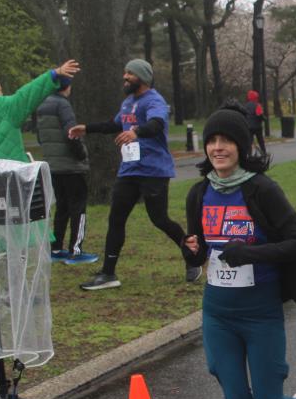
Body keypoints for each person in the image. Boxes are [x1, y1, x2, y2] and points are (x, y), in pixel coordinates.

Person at [182, 105, 296, 399]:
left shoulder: (262, 190)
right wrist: (193, 251)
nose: (218, 148)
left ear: (242, 146)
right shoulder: (198, 194)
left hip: (260, 313)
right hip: (218, 314)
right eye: (212, 141)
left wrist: (250, 253)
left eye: (226, 141)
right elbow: (200, 252)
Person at [69, 59, 200, 290]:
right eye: (125, 72)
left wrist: (136, 132)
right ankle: (108, 274)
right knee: (116, 218)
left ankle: (192, 257)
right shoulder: (128, 102)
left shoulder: (154, 101)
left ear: (143, 77)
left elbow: (156, 124)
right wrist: (87, 128)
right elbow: (114, 125)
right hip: (129, 170)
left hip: (153, 170)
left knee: (159, 219)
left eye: (130, 73)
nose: (125, 77)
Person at [36, 80, 98, 264]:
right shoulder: (63, 105)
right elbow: (71, 133)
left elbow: (40, 136)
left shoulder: (41, 105)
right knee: (78, 207)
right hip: (71, 166)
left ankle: (56, 248)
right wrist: (81, 154)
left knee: (62, 207)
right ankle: (76, 250)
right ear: (67, 87)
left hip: (53, 165)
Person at [0, 61, 80, 162]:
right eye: (0, 90)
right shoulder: (4, 106)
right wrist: (54, 74)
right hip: (10, 169)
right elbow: (27, 94)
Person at [244, 90, 266, 156]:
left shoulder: (245, 106)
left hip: (248, 126)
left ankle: (249, 154)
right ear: (256, 98)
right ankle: (264, 153)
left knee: (249, 141)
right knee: (260, 140)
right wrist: (263, 119)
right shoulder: (257, 105)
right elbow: (259, 115)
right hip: (257, 126)